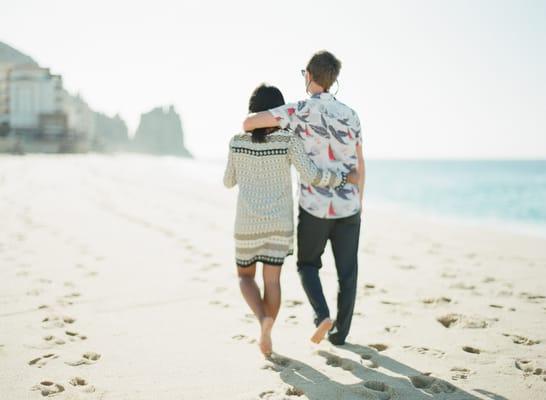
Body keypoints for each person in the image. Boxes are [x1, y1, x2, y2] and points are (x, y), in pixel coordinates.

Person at [224, 83, 359, 356]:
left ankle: (263, 321)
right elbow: (311, 175)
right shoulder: (288, 140)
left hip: (247, 224)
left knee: (245, 277)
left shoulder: (237, 141)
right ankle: (268, 331)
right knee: (272, 282)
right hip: (279, 225)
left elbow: (228, 181)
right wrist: (344, 178)